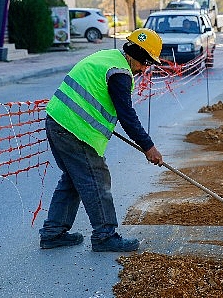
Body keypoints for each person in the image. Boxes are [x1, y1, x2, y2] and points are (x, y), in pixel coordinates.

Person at [39, 28, 164, 252]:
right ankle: (105, 235)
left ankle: (53, 232)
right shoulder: (120, 74)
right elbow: (127, 116)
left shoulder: (109, 58)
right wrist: (149, 147)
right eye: (146, 63)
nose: (144, 69)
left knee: (73, 178)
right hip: (74, 130)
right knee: (96, 179)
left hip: (57, 121)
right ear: (141, 57)